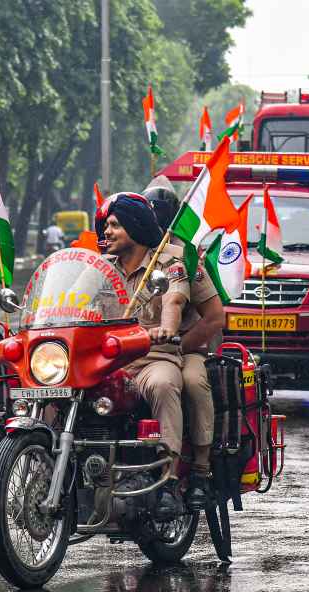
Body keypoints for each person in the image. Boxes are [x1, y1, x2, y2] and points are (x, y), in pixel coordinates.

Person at [97, 192, 190, 518]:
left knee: (164, 385)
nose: (106, 232)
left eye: (115, 225)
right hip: (106, 361)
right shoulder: (100, 268)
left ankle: (169, 480)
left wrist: (165, 327)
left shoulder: (169, 264)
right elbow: (71, 299)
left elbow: (174, 301)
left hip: (153, 357)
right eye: (107, 225)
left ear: (135, 228)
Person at [143, 176, 223, 511]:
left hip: (181, 348)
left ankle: (199, 469)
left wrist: (177, 344)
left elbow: (215, 319)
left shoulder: (186, 260)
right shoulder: (121, 256)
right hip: (130, 350)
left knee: (191, 381)